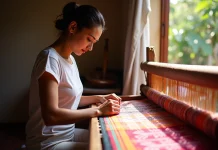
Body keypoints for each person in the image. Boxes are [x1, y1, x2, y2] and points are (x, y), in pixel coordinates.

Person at [25, 2, 121, 150]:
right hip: (47, 142)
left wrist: (101, 98)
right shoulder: (50, 59)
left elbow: (68, 98)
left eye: (94, 42)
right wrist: (98, 111)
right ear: (73, 27)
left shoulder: (70, 59)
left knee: (112, 139)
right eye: (89, 39)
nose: (90, 48)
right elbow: (51, 115)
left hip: (66, 134)